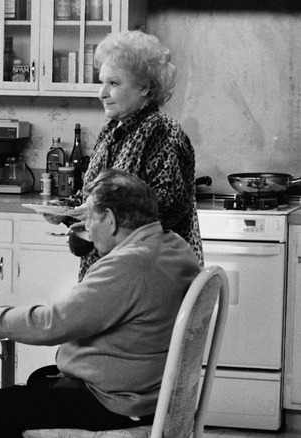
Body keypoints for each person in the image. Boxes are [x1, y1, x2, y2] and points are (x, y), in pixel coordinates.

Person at [0, 169, 201, 437]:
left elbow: (49, 325)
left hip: (119, 402)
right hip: (151, 391)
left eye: (89, 217)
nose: (86, 226)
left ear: (110, 220)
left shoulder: (129, 265)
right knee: (40, 379)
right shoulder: (173, 246)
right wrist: (95, 234)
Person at [52, 30, 203, 279]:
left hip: (147, 277)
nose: (102, 93)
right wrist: (65, 210)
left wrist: (100, 216)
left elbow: (169, 207)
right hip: (109, 275)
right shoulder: (111, 131)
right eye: (102, 82)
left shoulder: (162, 131)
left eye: (113, 83)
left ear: (144, 87)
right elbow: (93, 197)